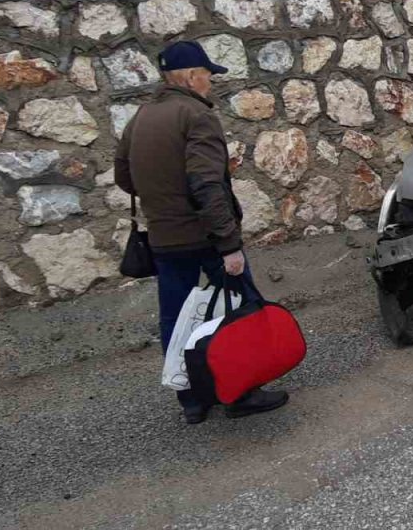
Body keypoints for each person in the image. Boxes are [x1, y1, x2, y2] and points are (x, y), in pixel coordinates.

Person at [114, 40, 289, 425]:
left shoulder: (140, 116)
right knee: (242, 309)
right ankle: (240, 393)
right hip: (205, 237)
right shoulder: (197, 116)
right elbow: (207, 185)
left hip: (163, 238)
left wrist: (163, 200)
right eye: (208, 76)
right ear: (192, 77)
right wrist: (229, 245)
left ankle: (191, 400)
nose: (211, 83)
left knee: (176, 319)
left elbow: (124, 178)